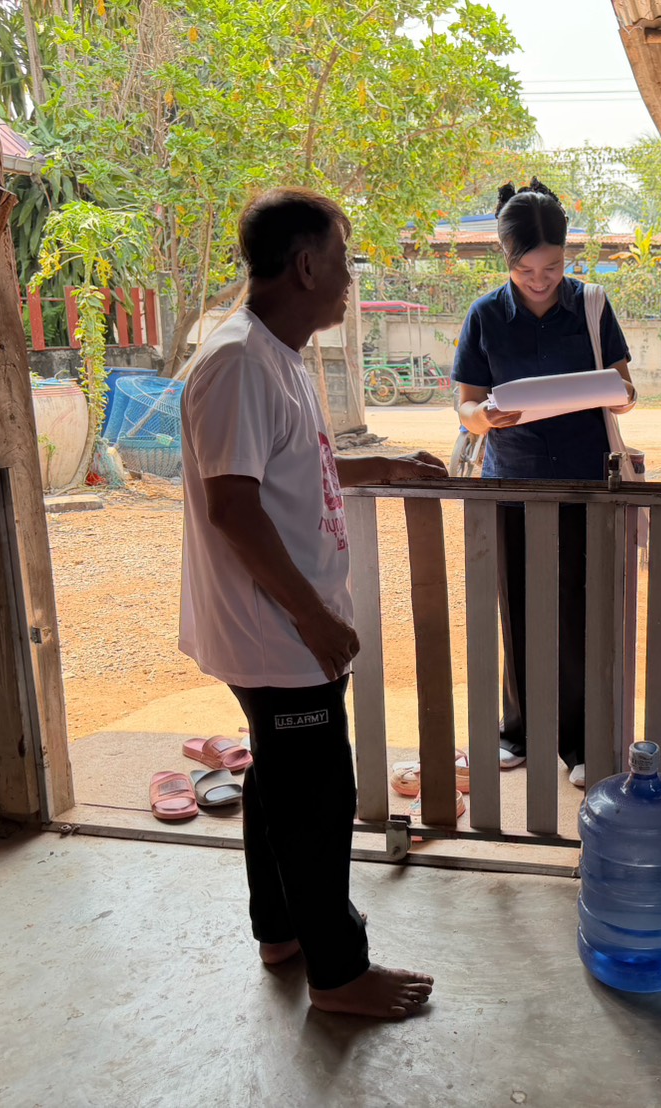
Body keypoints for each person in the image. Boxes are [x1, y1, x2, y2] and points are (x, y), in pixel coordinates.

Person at [179, 187, 444, 1019]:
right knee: (319, 800)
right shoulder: (237, 362)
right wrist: (313, 617)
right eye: (342, 260)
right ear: (303, 265)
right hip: (277, 632)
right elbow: (232, 506)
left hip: (282, 628)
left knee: (281, 784)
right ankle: (337, 974)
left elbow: (289, 471)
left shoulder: (277, 353)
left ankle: (282, 930)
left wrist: (378, 466)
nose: (348, 279)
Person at [452, 178, 638, 789]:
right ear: (507, 260)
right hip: (512, 480)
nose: (541, 279)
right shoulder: (485, 315)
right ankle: (520, 731)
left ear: (567, 256)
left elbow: (624, 386)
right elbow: (467, 407)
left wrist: (621, 394)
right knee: (520, 609)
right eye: (528, 268)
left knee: (582, 611)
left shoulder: (591, 305)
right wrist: (484, 417)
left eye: (553, 266)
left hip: (585, 479)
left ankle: (581, 743)